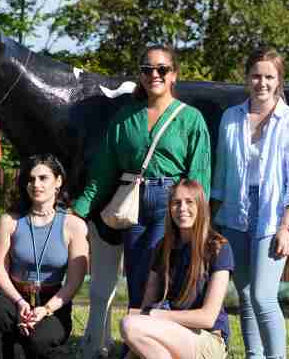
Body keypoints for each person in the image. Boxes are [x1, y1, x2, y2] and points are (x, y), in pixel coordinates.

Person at [72, 45, 212, 313]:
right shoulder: (124, 118)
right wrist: (78, 211)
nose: (154, 75)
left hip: (172, 201)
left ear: (174, 75)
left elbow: (199, 175)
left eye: (162, 69)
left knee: (157, 270)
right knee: (136, 273)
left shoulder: (191, 119)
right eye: (147, 70)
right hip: (132, 201)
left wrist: (196, 216)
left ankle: (156, 340)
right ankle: (134, 344)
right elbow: (103, 172)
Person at [211, 47, 289, 359]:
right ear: (247, 78)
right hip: (235, 215)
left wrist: (287, 226)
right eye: (256, 75)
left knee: (265, 295)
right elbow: (221, 174)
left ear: (279, 81)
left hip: (273, 216)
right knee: (246, 294)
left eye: (269, 76)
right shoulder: (231, 118)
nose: (262, 82)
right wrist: (212, 217)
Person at [95, 179, 232, 359]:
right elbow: (147, 303)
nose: (182, 209)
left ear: (201, 206)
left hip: (207, 342)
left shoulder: (218, 247)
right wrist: (143, 319)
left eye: (189, 202)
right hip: (166, 337)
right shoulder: (163, 247)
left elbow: (208, 318)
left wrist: (156, 316)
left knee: (130, 325)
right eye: (176, 203)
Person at [0, 154, 89, 359]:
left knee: (41, 338)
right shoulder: (8, 221)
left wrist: (45, 310)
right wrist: (20, 303)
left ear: (58, 181)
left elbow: (74, 282)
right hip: (12, 295)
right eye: (31, 179)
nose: (36, 185)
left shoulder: (75, 226)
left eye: (43, 178)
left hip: (52, 300)